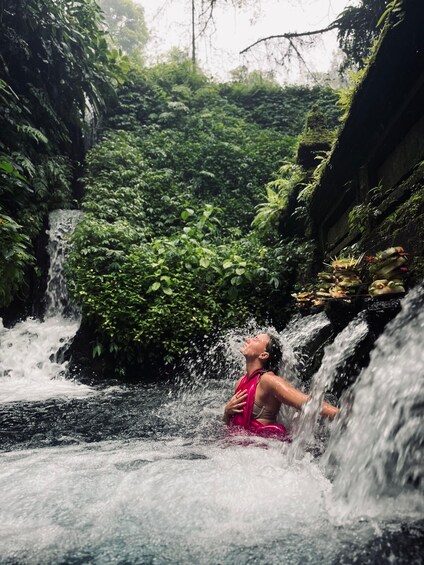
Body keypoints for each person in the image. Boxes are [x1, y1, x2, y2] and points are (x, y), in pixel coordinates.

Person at [223, 333, 339, 439]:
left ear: (264, 355)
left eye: (255, 340)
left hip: (264, 449)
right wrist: (227, 412)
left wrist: (341, 415)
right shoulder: (241, 382)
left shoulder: (269, 381)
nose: (248, 339)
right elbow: (231, 426)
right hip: (240, 446)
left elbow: (306, 402)